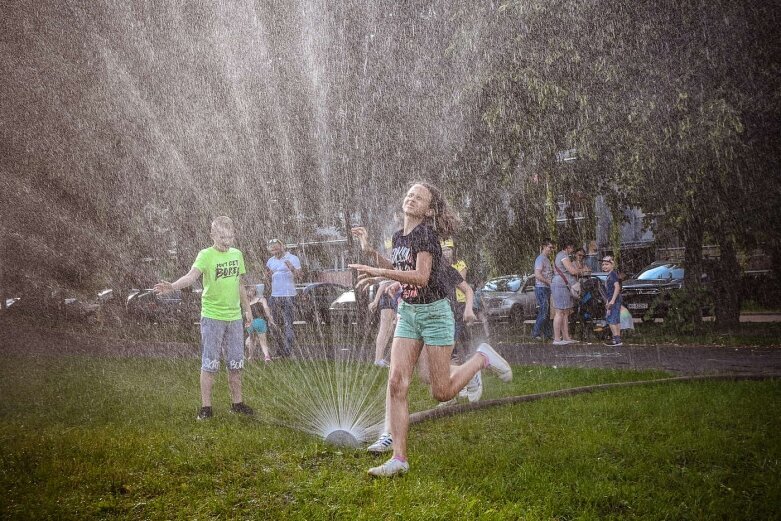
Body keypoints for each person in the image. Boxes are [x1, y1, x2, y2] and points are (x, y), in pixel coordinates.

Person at [349, 182, 512, 477]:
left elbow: (421, 277)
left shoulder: (426, 234)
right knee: (397, 382)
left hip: (435, 314)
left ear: (429, 210)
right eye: (409, 193)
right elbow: (399, 264)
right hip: (409, 313)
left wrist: (381, 274)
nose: (411, 198)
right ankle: (399, 459)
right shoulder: (400, 236)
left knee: (442, 391)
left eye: (419, 197)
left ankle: (481, 359)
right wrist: (370, 253)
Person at [154, 216, 255, 420]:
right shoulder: (205, 255)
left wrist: (247, 309)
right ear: (212, 235)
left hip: (234, 317)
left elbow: (239, 284)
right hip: (212, 317)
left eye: (229, 236)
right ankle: (206, 408)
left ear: (233, 235)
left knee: (236, 364)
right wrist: (172, 286)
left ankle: (237, 403)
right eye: (221, 236)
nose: (226, 240)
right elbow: (192, 276)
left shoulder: (237, 254)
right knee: (210, 363)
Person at [551, 237, 591, 346]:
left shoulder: (562, 255)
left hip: (563, 285)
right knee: (559, 312)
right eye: (572, 247)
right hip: (560, 285)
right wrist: (584, 270)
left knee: (565, 312)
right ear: (568, 246)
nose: (573, 249)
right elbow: (572, 271)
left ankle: (566, 337)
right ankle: (557, 339)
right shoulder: (563, 256)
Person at [265, 238, 302, 357]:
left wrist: (290, 267)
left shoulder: (292, 258)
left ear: (282, 246)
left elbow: (300, 276)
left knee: (288, 324)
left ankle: (287, 351)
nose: (274, 251)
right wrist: (265, 276)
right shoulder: (270, 261)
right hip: (275, 296)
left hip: (289, 296)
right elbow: (267, 276)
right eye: (272, 250)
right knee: (275, 324)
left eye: (276, 248)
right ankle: (279, 349)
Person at [368, 280, 399, 367]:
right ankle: (378, 359)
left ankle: (380, 358)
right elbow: (383, 284)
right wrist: (375, 301)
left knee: (389, 330)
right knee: (384, 329)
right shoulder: (388, 268)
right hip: (387, 297)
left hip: (394, 297)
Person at [531, 239, 554, 341]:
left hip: (546, 288)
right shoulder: (540, 259)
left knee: (547, 312)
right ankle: (535, 333)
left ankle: (547, 334)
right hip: (541, 288)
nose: (551, 249)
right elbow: (537, 274)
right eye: (550, 247)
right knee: (543, 311)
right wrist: (548, 282)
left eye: (552, 248)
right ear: (544, 247)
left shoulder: (547, 259)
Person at [245, 284, 274, 362]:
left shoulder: (247, 303)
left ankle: (250, 357)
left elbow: (248, 317)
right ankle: (267, 356)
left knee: (251, 340)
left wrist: (248, 323)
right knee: (263, 341)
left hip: (251, 323)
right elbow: (267, 310)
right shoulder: (262, 300)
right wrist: (270, 319)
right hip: (261, 322)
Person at [601, 256, 624, 346]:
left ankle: (617, 339)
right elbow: (609, 291)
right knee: (615, 320)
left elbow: (617, 287)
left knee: (611, 320)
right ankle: (617, 339)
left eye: (607, 264)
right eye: (603, 264)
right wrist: (608, 301)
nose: (604, 266)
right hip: (612, 299)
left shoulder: (613, 274)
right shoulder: (610, 275)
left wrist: (612, 300)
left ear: (612, 264)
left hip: (614, 300)